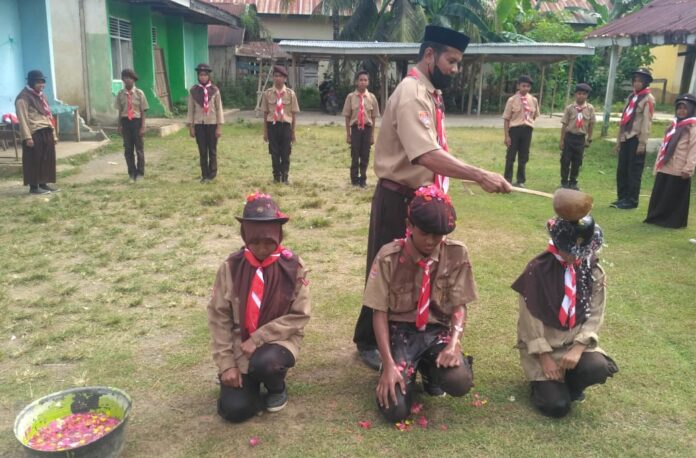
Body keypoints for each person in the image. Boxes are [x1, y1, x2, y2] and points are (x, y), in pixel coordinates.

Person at [352, 25, 511, 370]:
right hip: (399, 197)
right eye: (451, 61)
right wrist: (479, 175)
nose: (456, 69)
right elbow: (425, 154)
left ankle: (408, 330)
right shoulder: (412, 93)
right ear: (429, 55)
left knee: (414, 268)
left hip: (421, 196)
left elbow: (436, 150)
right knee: (386, 267)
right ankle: (368, 340)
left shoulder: (430, 93)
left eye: (458, 63)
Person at [364, 185, 475, 422]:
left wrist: (454, 344)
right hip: (400, 332)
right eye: (425, 233)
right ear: (409, 225)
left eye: (439, 234)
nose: (431, 240)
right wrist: (389, 363)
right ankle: (403, 371)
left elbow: (459, 304)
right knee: (395, 411)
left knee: (460, 381)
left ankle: (430, 372)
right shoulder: (389, 257)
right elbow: (379, 312)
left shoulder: (456, 253)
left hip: (436, 331)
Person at [207, 192, 311, 423]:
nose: (262, 248)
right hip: (240, 345)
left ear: (279, 236)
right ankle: (246, 383)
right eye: (255, 241)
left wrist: (259, 338)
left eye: (268, 241)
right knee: (236, 411)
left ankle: (276, 386)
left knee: (268, 363)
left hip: (278, 342)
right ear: (245, 237)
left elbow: (299, 315)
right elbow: (218, 318)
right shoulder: (230, 268)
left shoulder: (293, 266)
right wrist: (226, 366)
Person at [512, 214, 618, 418]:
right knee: (557, 407)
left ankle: (572, 384)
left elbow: (596, 313)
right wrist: (544, 357)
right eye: (569, 251)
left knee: (599, 367)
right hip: (545, 349)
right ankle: (544, 385)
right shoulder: (537, 270)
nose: (574, 257)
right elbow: (529, 321)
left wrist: (578, 348)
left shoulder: (593, 271)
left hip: (574, 346)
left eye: (580, 252)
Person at [644, 94, 696, 228]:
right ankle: (656, 217)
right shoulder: (673, 125)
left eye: (685, 108)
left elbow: (693, 150)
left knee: (674, 195)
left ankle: (672, 221)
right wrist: (658, 164)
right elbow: (664, 146)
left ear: (691, 109)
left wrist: (688, 169)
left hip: (680, 167)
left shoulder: (692, 127)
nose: (682, 111)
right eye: (679, 108)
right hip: (666, 165)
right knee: (661, 193)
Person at [612, 68, 655, 209]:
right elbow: (624, 120)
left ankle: (631, 200)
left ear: (646, 82)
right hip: (626, 137)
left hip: (636, 138)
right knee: (622, 169)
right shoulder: (631, 97)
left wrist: (642, 143)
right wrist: (619, 141)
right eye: (635, 80)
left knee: (633, 171)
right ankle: (622, 197)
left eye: (640, 81)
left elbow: (646, 123)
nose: (636, 83)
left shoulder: (648, 99)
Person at [15, 70, 59, 194]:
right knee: (34, 160)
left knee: (47, 159)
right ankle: (34, 187)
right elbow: (22, 118)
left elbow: (47, 115)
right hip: (34, 133)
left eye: (43, 82)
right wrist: (27, 137)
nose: (42, 85)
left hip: (46, 131)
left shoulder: (41, 96)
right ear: (31, 82)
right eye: (38, 82)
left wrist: (53, 134)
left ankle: (43, 184)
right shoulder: (23, 98)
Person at [261, 65, 300, 184]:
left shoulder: (290, 94)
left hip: (285, 126)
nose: (278, 79)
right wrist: (265, 131)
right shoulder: (267, 93)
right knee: (274, 153)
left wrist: (293, 132)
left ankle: (285, 177)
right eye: (276, 76)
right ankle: (276, 177)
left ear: (285, 79)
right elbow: (265, 113)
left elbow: (293, 115)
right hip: (272, 126)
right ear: (273, 78)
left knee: (286, 152)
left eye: (281, 76)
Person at [342, 70, 380, 187]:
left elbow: (373, 118)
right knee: (355, 154)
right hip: (355, 129)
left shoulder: (372, 97)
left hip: (367, 129)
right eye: (361, 80)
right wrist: (348, 134)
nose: (363, 82)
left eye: (365, 80)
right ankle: (354, 179)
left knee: (365, 155)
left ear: (368, 82)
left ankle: (363, 179)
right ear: (356, 82)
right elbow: (347, 116)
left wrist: (372, 135)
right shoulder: (350, 97)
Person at [187, 63, 224, 183]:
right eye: (200, 75)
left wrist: (219, 126)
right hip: (199, 124)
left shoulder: (215, 90)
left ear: (208, 76)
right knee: (202, 151)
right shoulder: (193, 91)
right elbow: (191, 110)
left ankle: (212, 174)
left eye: (205, 75)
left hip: (212, 124)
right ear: (198, 76)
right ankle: (205, 174)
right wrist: (191, 127)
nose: (203, 77)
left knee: (212, 150)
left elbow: (219, 109)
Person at [503, 75, 540, 188]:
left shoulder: (533, 100)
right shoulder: (512, 100)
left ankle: (520, 180)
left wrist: (528, 123)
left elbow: (535, 115)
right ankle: (507, 179)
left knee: (524, 156)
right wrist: (507, 136)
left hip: (527, 130)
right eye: (523, 86)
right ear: (518, 86)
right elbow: (506, 119)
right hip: (514, 130)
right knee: (511, 156)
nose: (526, 88)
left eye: (528, 86)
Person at [114, 69, 148, 182]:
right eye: (124, 78)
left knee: (139, 149)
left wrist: (143, 126)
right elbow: (120, 111)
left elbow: (143, 111)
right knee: (128, 149)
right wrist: (119, 125)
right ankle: (131, 173)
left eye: (129, 78)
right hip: (125, 122)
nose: (127, 80)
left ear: (133, 80)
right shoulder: (120, 94)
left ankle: (140, 173)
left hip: (136, 122)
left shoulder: (139, 93)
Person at [559, 83, 595, 190]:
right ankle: (564, 181)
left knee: (577, 161)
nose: (581, 96)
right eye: (579, 93)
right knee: (565, 160)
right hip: (569, 137)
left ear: (587, 96)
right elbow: (564, 124)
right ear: (575, 94)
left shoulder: (590, 108)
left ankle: (573, 182)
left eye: (584, 94)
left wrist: (589, 138)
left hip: (580, 139)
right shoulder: (570, 108)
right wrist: (562, 140)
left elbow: (591, 124)